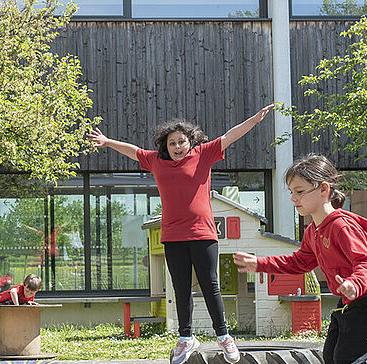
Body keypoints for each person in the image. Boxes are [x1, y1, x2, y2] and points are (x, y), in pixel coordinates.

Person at [87, 104, 274, 364]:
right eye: (172, 143)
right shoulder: (156, 161)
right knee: (181, 289)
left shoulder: (204, 154)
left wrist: (253, 120)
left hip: (203, 234)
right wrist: (107, 141)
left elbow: (230, 136)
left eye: (181, 142)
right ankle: (185, 338)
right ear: (166, 145)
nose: (177, 147)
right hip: (173, 236)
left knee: (210, 286)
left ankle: (224, 336)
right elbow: (133, 151)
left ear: (190, 142)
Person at [233, 154, 367, 364]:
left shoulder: (341, 226)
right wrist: (260, 264)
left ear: (323, 189)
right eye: (292, 192)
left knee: (346, 359)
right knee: (331, 357)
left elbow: (365, 262)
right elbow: (299, 262)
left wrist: (355, 283)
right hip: (350, 297)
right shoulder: (313, 231)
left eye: (299, 192)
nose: (293, 198)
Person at [0, 273, 41, 354]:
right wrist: (17, 305)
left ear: (36, 291)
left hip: (7, 309)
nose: (28, 294)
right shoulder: (19, 288)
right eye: (27, 291)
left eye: (31, 293)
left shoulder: (31, 294)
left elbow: (25, 299)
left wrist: (29, 301)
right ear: (23, 285)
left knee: (3, 329)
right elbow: (13, 291)